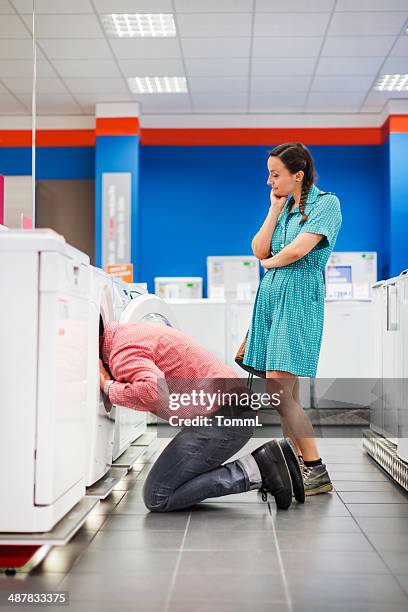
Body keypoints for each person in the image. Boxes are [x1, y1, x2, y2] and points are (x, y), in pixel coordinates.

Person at [98, 320, 304, 512]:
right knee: (174, 480)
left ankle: (259, 467)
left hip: (223, 418)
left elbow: (153, 391)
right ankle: (266, 462)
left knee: (157, 495)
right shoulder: (130, 332)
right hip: (233, 410)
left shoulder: (120, 353)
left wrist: (108, 387)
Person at [244, 142, 342, 496]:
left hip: (298, 298)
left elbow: (300, 250)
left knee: (279, 390)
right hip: (272, 300)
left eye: (275, 174)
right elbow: (258, 247)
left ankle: (315, 467)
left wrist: (269, 264)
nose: (269, 181)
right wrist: (273, 210)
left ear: (298, 175)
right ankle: (301, 466)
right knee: (287, 395)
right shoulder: (284, 207)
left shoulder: (326, 204)